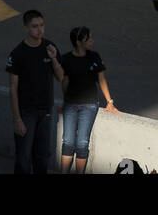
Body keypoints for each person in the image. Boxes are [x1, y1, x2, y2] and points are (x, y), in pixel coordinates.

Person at [7, 9, 65, 174]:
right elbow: (12, 89)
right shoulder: (18, 53)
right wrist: (17, 119)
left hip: (45, 112)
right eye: (34, 26)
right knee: (24, 158)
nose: (40, 30)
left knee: (42, 157)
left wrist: (54, 59)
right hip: (26, 113)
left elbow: (60, 77)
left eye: (42, 25)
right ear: (26, 27)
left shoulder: (49, 47)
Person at [59, 25, 119, 174]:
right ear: (79, 42)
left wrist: (109, 102)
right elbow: (64, 82)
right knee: (67, 141)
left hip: (89, 105)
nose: (91, 41)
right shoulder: (66, 59)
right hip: (71, 105)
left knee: (82, 143)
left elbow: (102, 79)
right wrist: (65, 101)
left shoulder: (94, 57)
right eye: (88, 39)